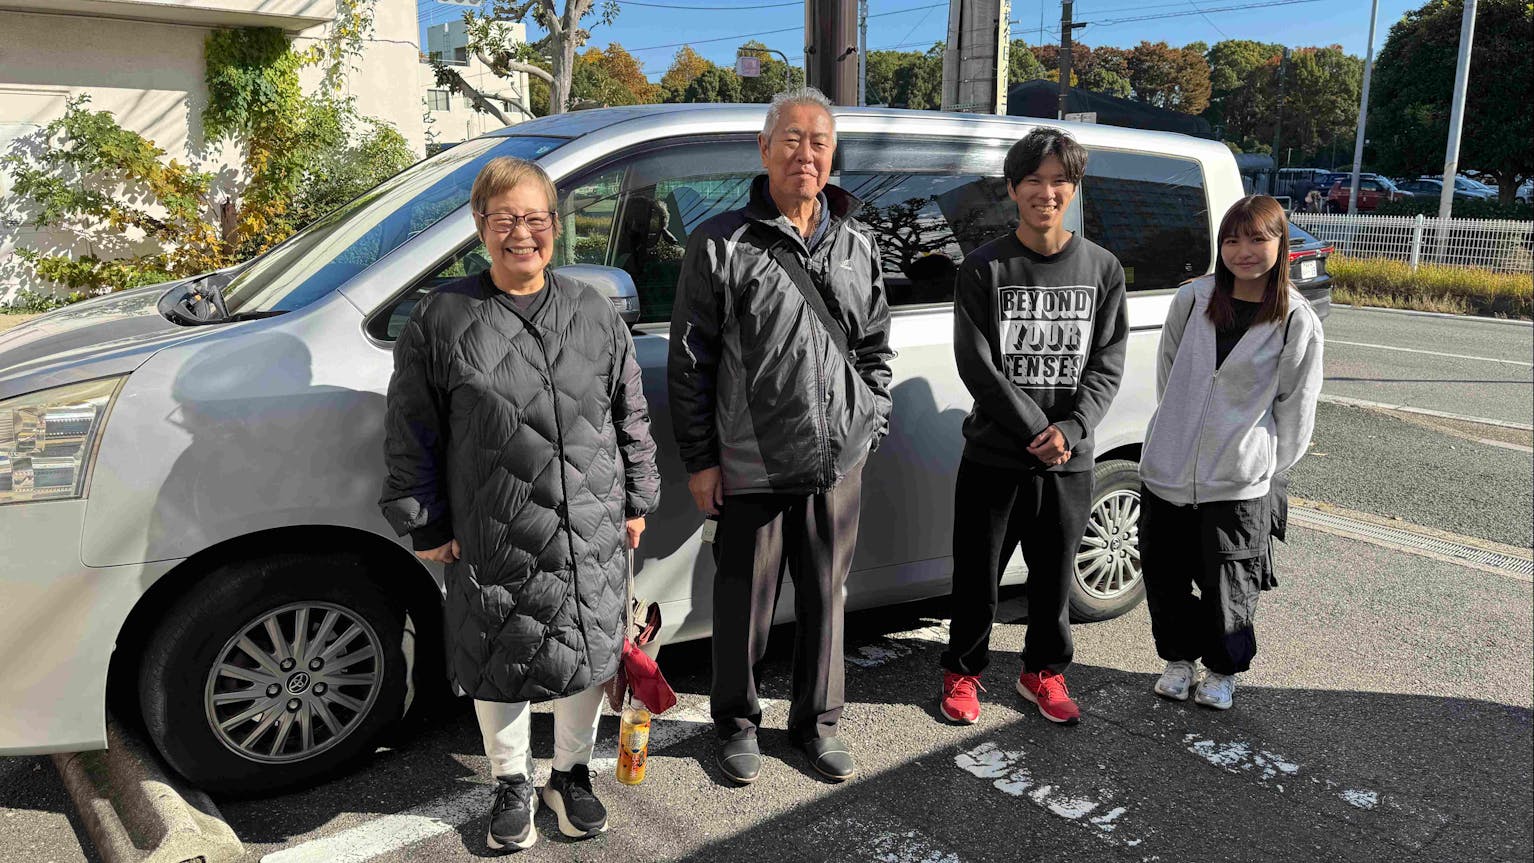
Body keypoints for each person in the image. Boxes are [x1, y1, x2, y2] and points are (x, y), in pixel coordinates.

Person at [380, 157, 660, 851]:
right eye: (504, 219)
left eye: (535, 218)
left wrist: (637, 497)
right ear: (481, 227)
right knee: (498, 652)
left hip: (591, 521)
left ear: (555, 229)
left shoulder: (592, 309)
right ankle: (510, 780)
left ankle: (570, 773)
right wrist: (424, 521)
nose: (521, 234)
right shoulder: (444, 317)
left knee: (588, 653)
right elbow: (411, 428)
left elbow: (631, 412)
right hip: (492, 523)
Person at [668, 87, 895, 785]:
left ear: (833, 157)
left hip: (836, 463)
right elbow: (691, 360)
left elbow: (876, 346)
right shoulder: (722, 241)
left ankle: (818, 723)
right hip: (750, 462)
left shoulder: (857, 243)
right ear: (764, 150)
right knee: (744, 603)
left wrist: (870, 420)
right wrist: (702, 461)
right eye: (790, 139)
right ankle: (735, 723)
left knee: (828, 597)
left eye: (819, 141)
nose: (806, 153)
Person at [938, 127, 1128, 727]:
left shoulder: (1103, 268)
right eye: (1034, 182)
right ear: (1013, 190)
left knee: (1052, 579)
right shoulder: (983, 268)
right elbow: (977, 363)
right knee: (978, 576)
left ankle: (1043, 672)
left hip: (1069, 461)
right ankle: (963, 673)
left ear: (1073, 190)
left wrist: (1070, 430)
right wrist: (1032, 430)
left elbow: (1108, 360)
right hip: (995, 455)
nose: (1047, 193)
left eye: (1059, 182)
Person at [1138, 194, 1324, 711]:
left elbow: (1296, 406)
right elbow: (1169, 378)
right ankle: (1179, 660)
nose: (1243, 250)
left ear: (1280, 244)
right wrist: (1175, 434)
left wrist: (1261, 463)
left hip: (1239, 478)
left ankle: (1222, 670)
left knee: (1230, 583)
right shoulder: (1193, 299)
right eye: (1232, 239)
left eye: (1258, 238)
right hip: (1168, 470)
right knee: (1165, 575)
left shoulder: (1295, 319)